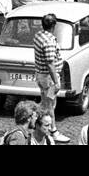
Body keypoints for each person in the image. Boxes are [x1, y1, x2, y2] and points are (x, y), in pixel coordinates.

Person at [32, 13, 72, 143]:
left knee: (45, 103)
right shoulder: (49, 41)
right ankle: (53, 130)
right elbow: (50, 64)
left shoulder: (38, 35)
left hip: (41, 75)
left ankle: (38, 124)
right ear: (54, 25)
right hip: (48, 78)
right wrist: (56, 82)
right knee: (49, 105)